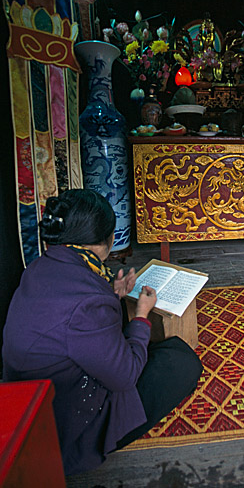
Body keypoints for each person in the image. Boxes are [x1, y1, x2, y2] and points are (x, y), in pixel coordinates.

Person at [2, 189, 202, 476]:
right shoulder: (87, 304)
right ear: (107, 240)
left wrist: (113, 294)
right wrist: (142, 314)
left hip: (33, 397)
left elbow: (73, 318)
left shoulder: (41, 265)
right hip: (60, 430)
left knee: (154, 345)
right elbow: (125, 376)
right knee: (180, 360)